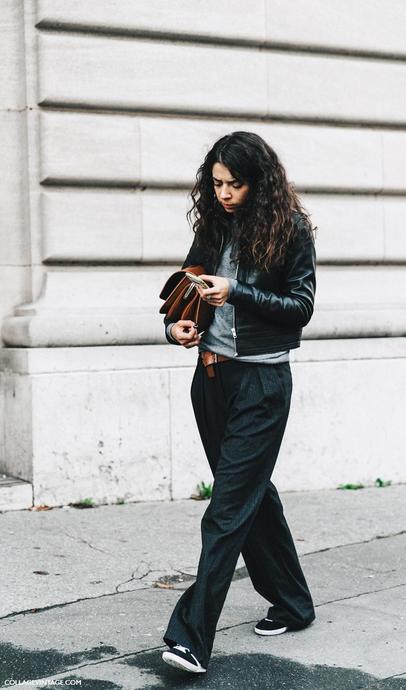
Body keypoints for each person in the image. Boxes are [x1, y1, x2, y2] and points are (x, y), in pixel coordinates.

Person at [161, 131, 317, 674]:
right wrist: (176, 327)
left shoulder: (290, 228)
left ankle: (190, 637)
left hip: (261, 385)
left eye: (236, 184)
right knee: (250, 494)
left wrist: (238, 291)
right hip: (211, 380)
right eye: (218, 184)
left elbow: (300, 306)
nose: (225, 194)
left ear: (260, 182)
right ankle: (294, 603)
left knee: (227, 509)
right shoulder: (213, 224)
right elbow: (185, 288)